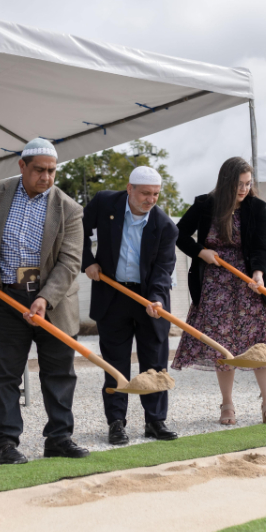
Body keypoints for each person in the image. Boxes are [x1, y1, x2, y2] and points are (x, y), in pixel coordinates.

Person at [0, 138, 88, 464]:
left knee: (59, 374)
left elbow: (70, 262)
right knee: (4, 376)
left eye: (52, 171)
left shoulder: (69, 209)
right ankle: (5, 443)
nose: (46, 177)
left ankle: (59, 438)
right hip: (6, 297)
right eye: (39, 170)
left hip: (53, 303)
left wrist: (45, 298)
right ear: (22, 166)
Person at [172, 157, 266, 425]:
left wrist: (258, 274)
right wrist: (201, 252)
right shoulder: (205, 205)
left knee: (260, 345)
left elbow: (261, 247)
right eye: (239, 184)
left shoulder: (256, 207)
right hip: (216, 284)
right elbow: (178, 234)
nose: (244, 189)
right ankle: (227, 405)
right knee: (223, 345)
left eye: (248, 183)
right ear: (227, 182)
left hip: (251, 284)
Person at [82, 166, 179, 444]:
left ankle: (155, 421)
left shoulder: (165, 227)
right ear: (129, 189)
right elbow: (77, 230)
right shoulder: (104, 202)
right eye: (145, 193)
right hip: (112, 294)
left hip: (149, 297)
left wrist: (157, 298)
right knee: (115, 364)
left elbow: (163, 268)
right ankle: (116, 422)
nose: (150, 199)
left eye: (156, 194)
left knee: (155, 362)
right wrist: (87, 262)